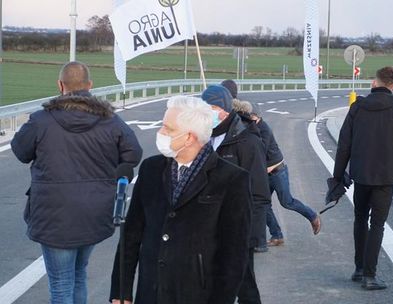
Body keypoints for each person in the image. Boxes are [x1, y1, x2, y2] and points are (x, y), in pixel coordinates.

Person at [11, 61, 142, 303]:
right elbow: (133, 154)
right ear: (90, 86)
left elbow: (20, 151)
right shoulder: (111, 121)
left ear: (60, 85)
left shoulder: (42, 120)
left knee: (61, 284)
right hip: (95, 212)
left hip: (54, 215)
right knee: (79, 275)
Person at [109, 96, 252, 304]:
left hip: (197, 295)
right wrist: (120, 291)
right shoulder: (151, 170)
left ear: (189, 138)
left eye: (168, 129)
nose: (161, 133)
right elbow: (131, 235)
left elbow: (233, 256)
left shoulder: (231, 179)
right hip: (151, 292)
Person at [331, 66, 393, 290]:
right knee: (377, 224)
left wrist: (337, 176)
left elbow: (344, 145)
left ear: (374, 83)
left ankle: (358, 268)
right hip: (386, 178)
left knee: (359, 219)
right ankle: (370, 275)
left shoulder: (358, 108)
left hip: (361, 175)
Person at [201, 85, 270, 304]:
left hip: (238, 229)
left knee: (244, 284)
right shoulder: (202, 138)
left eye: (211, 107)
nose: (206, 113)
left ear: (224, 110)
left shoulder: (247, 141)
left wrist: (252, 235)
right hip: (208, 226)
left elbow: (259, 192)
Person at [232, 100, 321, 248]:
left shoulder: (264, 130)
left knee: (287, 202)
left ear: (256, 116)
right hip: (264, 173)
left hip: (277, 171)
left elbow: (259, 153)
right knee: (263, 204)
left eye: (251, 117)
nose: (248, 119)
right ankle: (277, 235)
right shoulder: (249, 128)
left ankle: (313, 216)